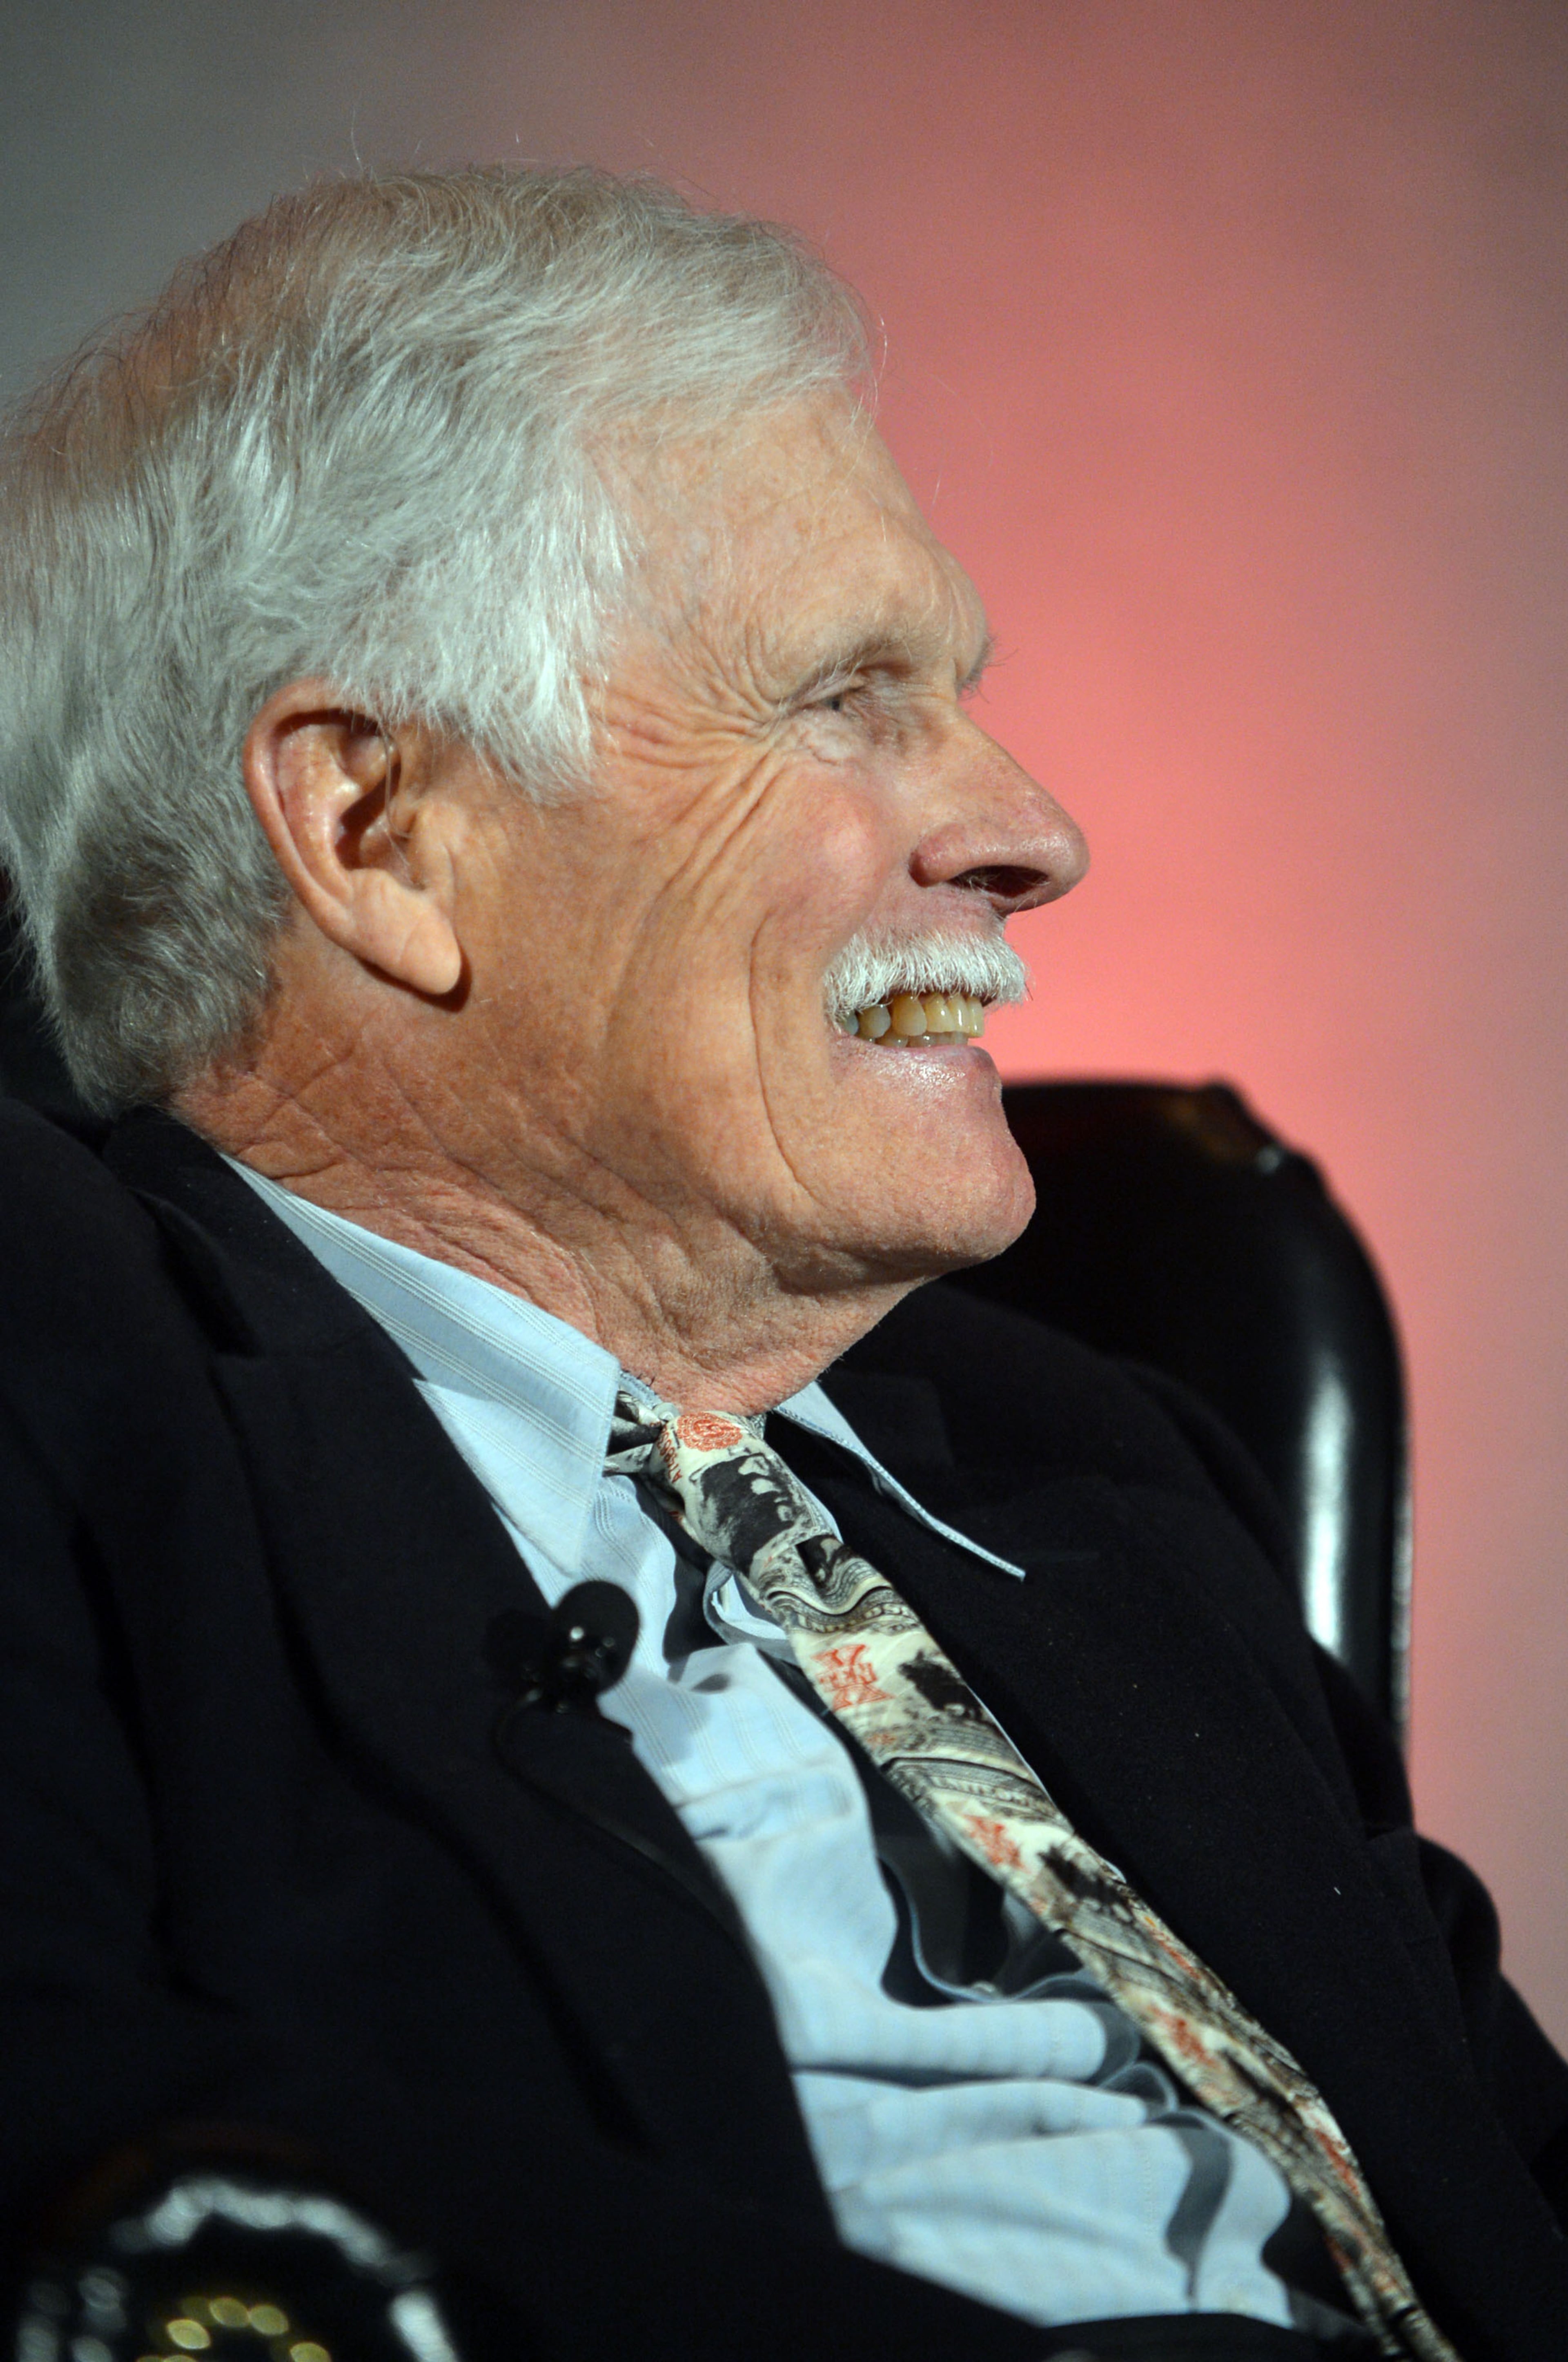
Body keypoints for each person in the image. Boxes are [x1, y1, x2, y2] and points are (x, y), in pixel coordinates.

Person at [0, 169, 1562, 2362]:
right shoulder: (68, 1375)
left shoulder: (1093, 1472)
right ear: (379, 832)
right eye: (848, 696)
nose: (1033, 826)